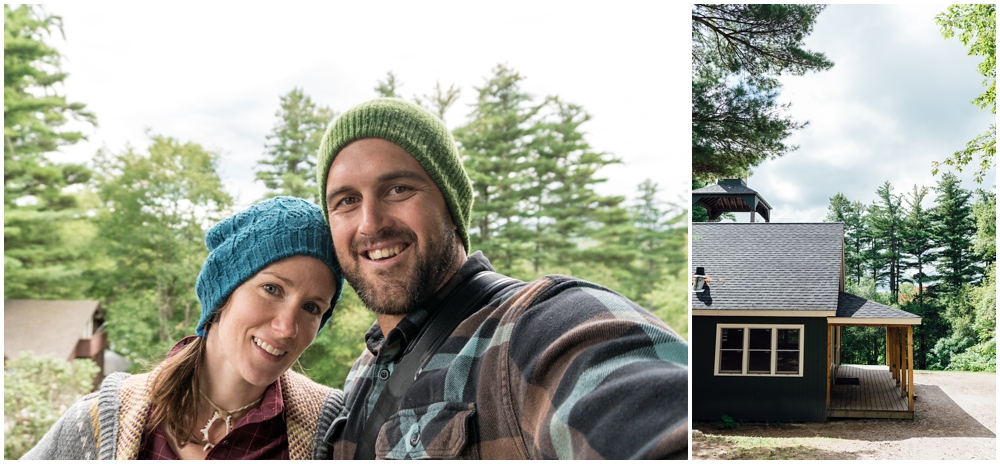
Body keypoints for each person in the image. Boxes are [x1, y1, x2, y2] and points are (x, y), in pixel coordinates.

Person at [317, 98, 688, 459]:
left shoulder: (536, 329)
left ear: (451, 205)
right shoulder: (362, 371)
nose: (370, 223)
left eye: (398, 189)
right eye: (346, 201)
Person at [23, 197, 346, 460]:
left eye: (311, 308)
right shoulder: (103, 420)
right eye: (272, 289)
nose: (287, 327)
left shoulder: (333, 431)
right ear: (224, 291)